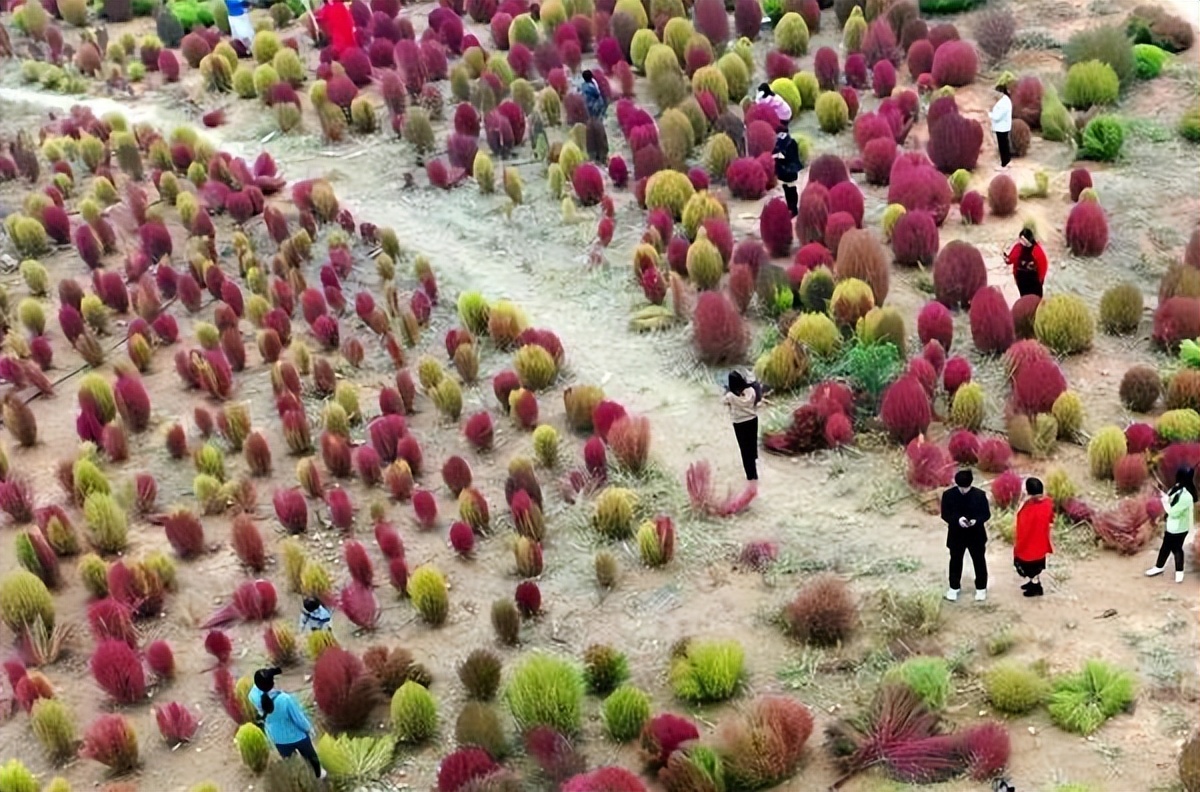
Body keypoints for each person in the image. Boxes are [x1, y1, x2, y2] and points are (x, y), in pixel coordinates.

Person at [248, 667, 326, 779]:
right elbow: (298, 718)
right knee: (311, 756)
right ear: (272, 683)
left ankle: (297, 779)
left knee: (290, 762)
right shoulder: (284, 699)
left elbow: (258, 687)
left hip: (278, 738)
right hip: (297, 736)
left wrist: (267, 676)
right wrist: (309, 729)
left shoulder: (253, 696)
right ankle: (318, 773)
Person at [940, 469, 991, 602]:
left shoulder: (980, 495)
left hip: (976, 535)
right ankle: (954, 587)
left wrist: (976, 521)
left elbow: (986, 514)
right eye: (960, 487)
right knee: (955, 561)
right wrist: (957, 520)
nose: (963, 490)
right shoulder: (948, 495)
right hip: (957, 535)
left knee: (979, 562)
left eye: (966, 488)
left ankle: (981, 588)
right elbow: (945, 514)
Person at [1146, 466, 1195, 583]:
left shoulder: (1187, 497)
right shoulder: (1177, 488)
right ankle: (1159, 567)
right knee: (1165, 547)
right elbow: (1170, 499)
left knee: (1177, 549)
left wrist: (1163, 502)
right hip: (1171, 527)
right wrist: (1164, 496)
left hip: (1181, 528)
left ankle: (1179, 572)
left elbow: (1173, 512)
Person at [1013, 477, 1054, 597]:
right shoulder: (1047, 503)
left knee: (1031, 568)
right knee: (1036, 566)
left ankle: (1036, 587)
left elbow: (1021, 524)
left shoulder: (1028, 508)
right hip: (1040, 543)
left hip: (1029, 545)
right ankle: (1033, 583)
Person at [722, 370, 762, 483]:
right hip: (753, 420)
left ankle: (750, 476)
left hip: (739, 423)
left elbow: (723, 401)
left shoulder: (730, 396)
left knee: (744, 450)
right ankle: (754, 470)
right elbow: (757, 399)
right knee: (752, 445)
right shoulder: (751, 391)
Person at [1006, 227, 1049, 298]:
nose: (1021, 241)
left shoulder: (1037, 250)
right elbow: (1011, 259)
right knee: (1024, 298)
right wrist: (1007, 260)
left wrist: (1040, 279)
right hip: (1021, 278)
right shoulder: (1018, 247)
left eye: (1023, 239)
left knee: (1036, 299)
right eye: (1020, 239)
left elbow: (1043, 266)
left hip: (1033, 280)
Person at [772, 122, 803, 217]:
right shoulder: (779, 143)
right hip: (783, 170)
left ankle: (793, 208)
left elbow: (792, 156)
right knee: (786, 189)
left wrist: (781, 156)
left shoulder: (791, 142)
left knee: (791, 189)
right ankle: (790, 207)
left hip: (790, 169)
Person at [989, 80, 1013, 171]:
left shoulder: (1003, 102)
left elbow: (997, 116)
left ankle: (1004, 164)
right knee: (1005, 145)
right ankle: (1008, 161)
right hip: (1004, 127)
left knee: (1002, 146)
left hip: (1001, 127)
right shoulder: (1005, 100)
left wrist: (989, 114)